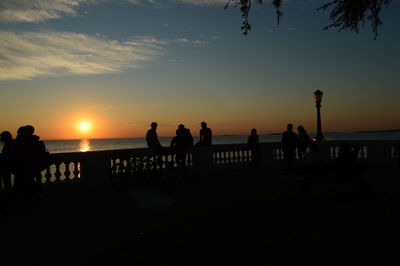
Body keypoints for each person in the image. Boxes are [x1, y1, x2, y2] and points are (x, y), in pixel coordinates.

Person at [1, 131, 14, 213]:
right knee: (8, 183)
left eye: (2, 136)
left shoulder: (8, 145)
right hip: (7, 167)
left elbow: (8, 156)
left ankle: (9, 199)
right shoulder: (10, 144)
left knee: (7, 183)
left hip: (6, 167)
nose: (0, 138)